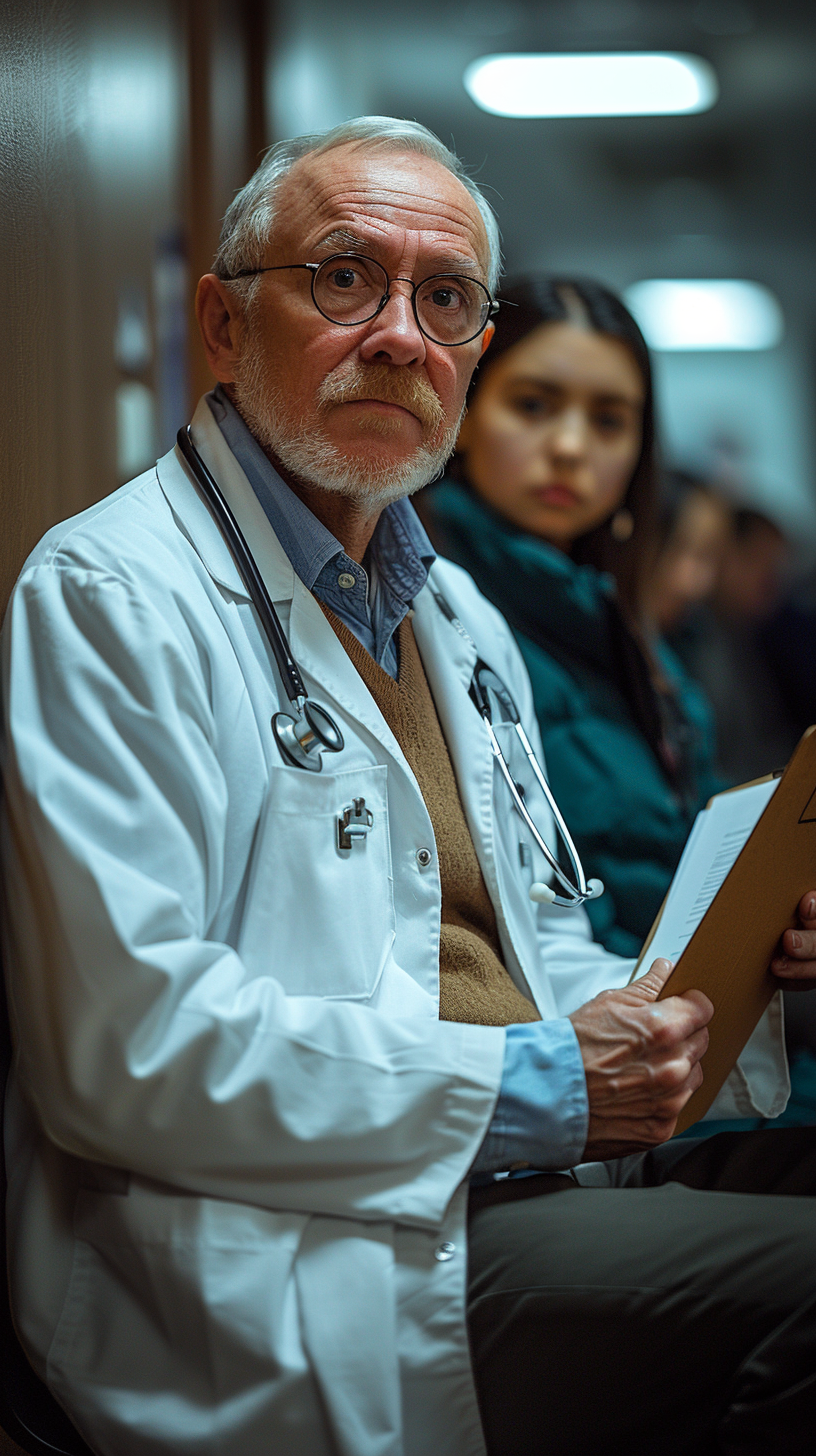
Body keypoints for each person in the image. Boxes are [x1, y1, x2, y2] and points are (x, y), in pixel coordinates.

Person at [3, 117, 816, 1456]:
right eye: (341, 278)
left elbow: (536, 946)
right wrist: (539, 1087)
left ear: (471, 350)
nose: (398, 334)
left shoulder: (456, 616)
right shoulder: (111, 593)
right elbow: (126, 1046)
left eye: (443, 299)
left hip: (505, 1174)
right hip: (287, 1254)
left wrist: (711, 997)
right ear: (221, 323)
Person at [418, 277, 727, 960]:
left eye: (609, 420)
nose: (570, 446)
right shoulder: (423, 605)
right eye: (533, 404)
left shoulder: (622, 623)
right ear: (464, 414)